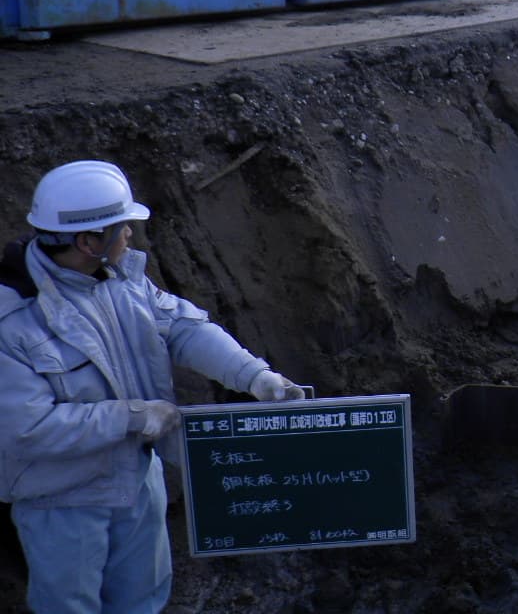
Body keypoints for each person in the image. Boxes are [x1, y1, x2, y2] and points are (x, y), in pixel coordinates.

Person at [0, 160, 306, 614]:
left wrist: (255, 377)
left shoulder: (121, 281)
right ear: (88, 242)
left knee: (142, 600)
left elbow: (183, 328)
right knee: (69, 606)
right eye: (122, 228)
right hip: (62, 501)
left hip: (138, 482)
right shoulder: (13, 321)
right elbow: (28, 427)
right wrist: (133, 417)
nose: (130, 236)